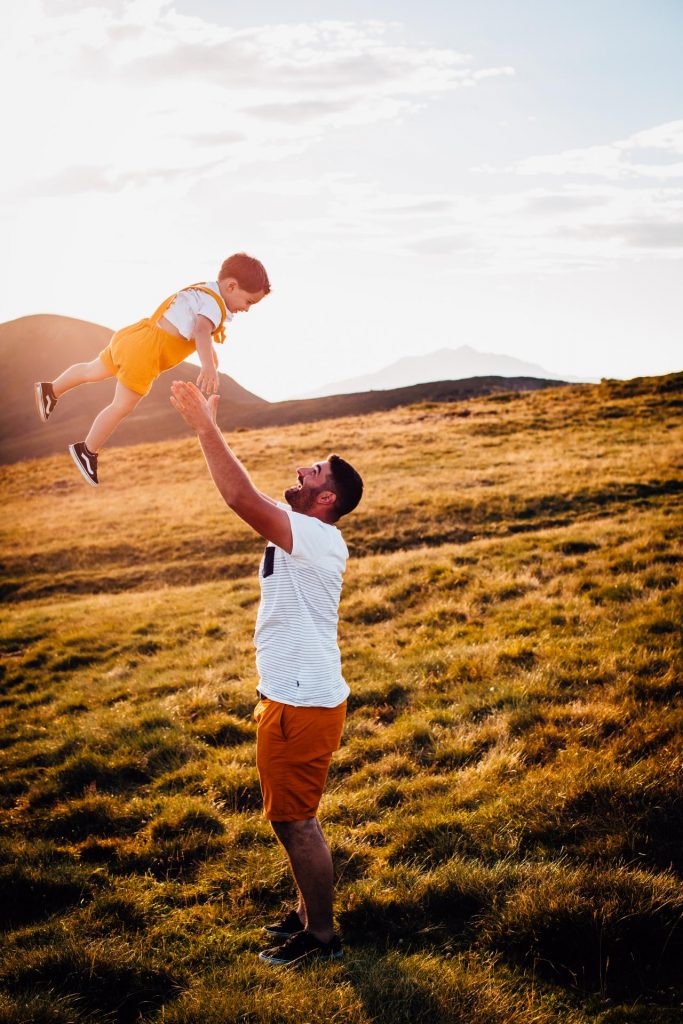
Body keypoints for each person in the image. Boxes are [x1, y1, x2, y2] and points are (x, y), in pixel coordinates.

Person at [169, 379, 363, 966]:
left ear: (326, 499)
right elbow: (245, 488)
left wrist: (206, 428)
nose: (303, 468)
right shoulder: (301, 524)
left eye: (315, 471)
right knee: (286, 819)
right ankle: (306, 915)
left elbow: (240, 500)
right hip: (288, 696)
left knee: (297, 822)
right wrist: (209, 423)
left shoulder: (317, 538)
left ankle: (321, 938)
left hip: (303, 703)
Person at [34, 253, 270, 486]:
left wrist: (210, 355)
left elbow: (196, 329)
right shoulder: (215, 306)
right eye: (249, 301)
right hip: (146, 354)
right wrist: (208, 366)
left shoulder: (203, 290)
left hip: (136, 336)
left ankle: (50, 390)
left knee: (90, 370)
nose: (247, 309)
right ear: (231, 286)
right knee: (120, 406)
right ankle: (86, 450)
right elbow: (200, 330)